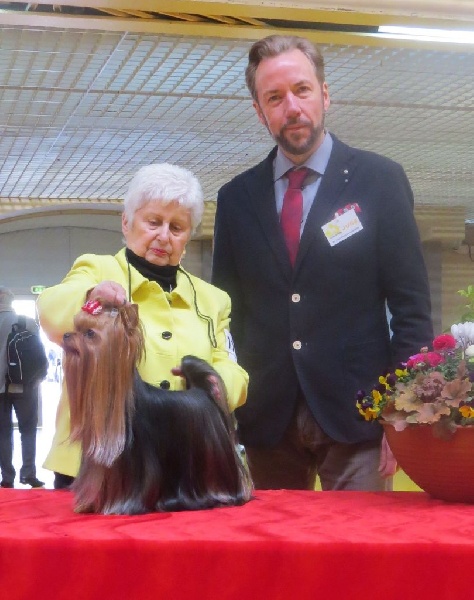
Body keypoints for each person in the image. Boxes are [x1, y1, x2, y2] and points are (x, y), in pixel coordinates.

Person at [211, 35, 433, 492]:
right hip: (266, 423)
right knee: (269, 542)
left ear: (325, 94)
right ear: (259, 111)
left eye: (302, 90)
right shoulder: (235, 200)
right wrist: (225, 412)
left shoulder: (380, 181)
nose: (292, 107)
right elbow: (227, 319)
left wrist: (404, 409)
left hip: (361, 416)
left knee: (359, 541)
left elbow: (411, 309)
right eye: (275, 97)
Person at [37, 163, 248, 489]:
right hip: (96, 466)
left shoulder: (213, 300)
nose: (163, 236)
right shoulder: (96, 269)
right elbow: (52, 311)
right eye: (153, 222)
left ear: (188, 236)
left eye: (176, 227)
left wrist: (217, 384)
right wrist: (90, 297)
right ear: (127, 222)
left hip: (183, 467)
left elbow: (231, 367)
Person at [0, 286, 45, 488]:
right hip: (24, 385)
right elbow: (38, 353)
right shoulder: (26, 322)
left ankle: (7, 477)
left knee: (3, 433)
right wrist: (38, 378)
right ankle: (28, 473)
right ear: (11, 300)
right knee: (28, 430)